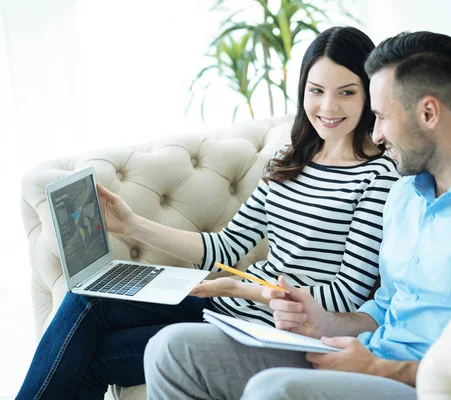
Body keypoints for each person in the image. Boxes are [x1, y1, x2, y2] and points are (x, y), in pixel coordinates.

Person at [143, 31, 451, 400]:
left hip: (427, 384)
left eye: (383, 117)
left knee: (273, 391)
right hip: (367, 353)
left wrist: (381, 370)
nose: (376, 133)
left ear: (428, 113)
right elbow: (384, 306)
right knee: (172, 348)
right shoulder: (408, 193)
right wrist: (321, 320)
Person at [16, 26, 398, 400]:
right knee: (87, 298)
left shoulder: (377, 176)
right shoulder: (291, 159)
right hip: (225, 307)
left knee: (97, 356)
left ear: (369, 95)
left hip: (272, 330)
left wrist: (242, 288)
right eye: (316, 91)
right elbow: (227, 246)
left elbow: (346, 297)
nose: (327, 107)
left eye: (346, 93)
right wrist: (132, 225)